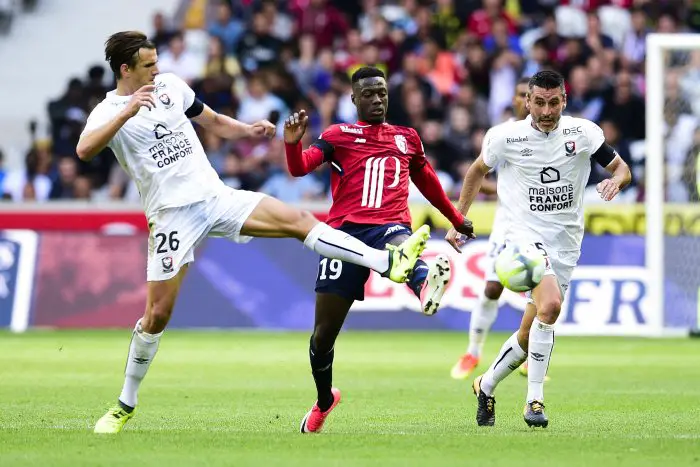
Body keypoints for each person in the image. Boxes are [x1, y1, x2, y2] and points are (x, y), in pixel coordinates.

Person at [80, 31, 431, 434]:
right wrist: (126, 113)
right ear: (125, 70)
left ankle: (387, 261)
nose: (157, 70)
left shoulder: (171, 86)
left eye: (157, 62)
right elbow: (84, 150)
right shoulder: (109, 110)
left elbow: (209, 120)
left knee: (298, 221)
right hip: (171, 216)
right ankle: (125, 404)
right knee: (156, 315)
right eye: (148, 65)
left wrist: (247, 130)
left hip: (214, 197)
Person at [283, 66, 475, 433]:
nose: (377, 100)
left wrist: (455, 217)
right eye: (369, 94)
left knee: (402, 248)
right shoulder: (338, 135)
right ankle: (325, 400)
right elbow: (300, 169)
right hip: (343, 236)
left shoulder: (406, 138)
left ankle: (424, 284)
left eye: (382, 93)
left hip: (389, 225)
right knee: (323, 336)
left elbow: (429, 181)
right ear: (354, 99)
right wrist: (292, 142)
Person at [445, 70, 631, 428]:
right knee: (551, 305)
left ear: (564, 100)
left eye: (554, 102)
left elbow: (621, 168)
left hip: (566, 243)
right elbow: (475, 172)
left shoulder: (584, 133)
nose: (547, 110)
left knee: (531, 332)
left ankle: (486, 385)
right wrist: (459, 220)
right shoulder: (505, 137)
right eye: (540, 102)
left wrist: (616, 181)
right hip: (522, 235)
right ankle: (534, 401)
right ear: (526, 101)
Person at [451, 77, 532, 380]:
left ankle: (529, 356)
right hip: (507, 224)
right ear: (514, 99)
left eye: (531, 95)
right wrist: (494, 190)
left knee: (540, 293)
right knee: (491, 288)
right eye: (521, 95)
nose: (526, 100)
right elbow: (479, 174)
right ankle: (473, 351)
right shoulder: (502, 135)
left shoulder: (554, 133)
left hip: (539, 225)